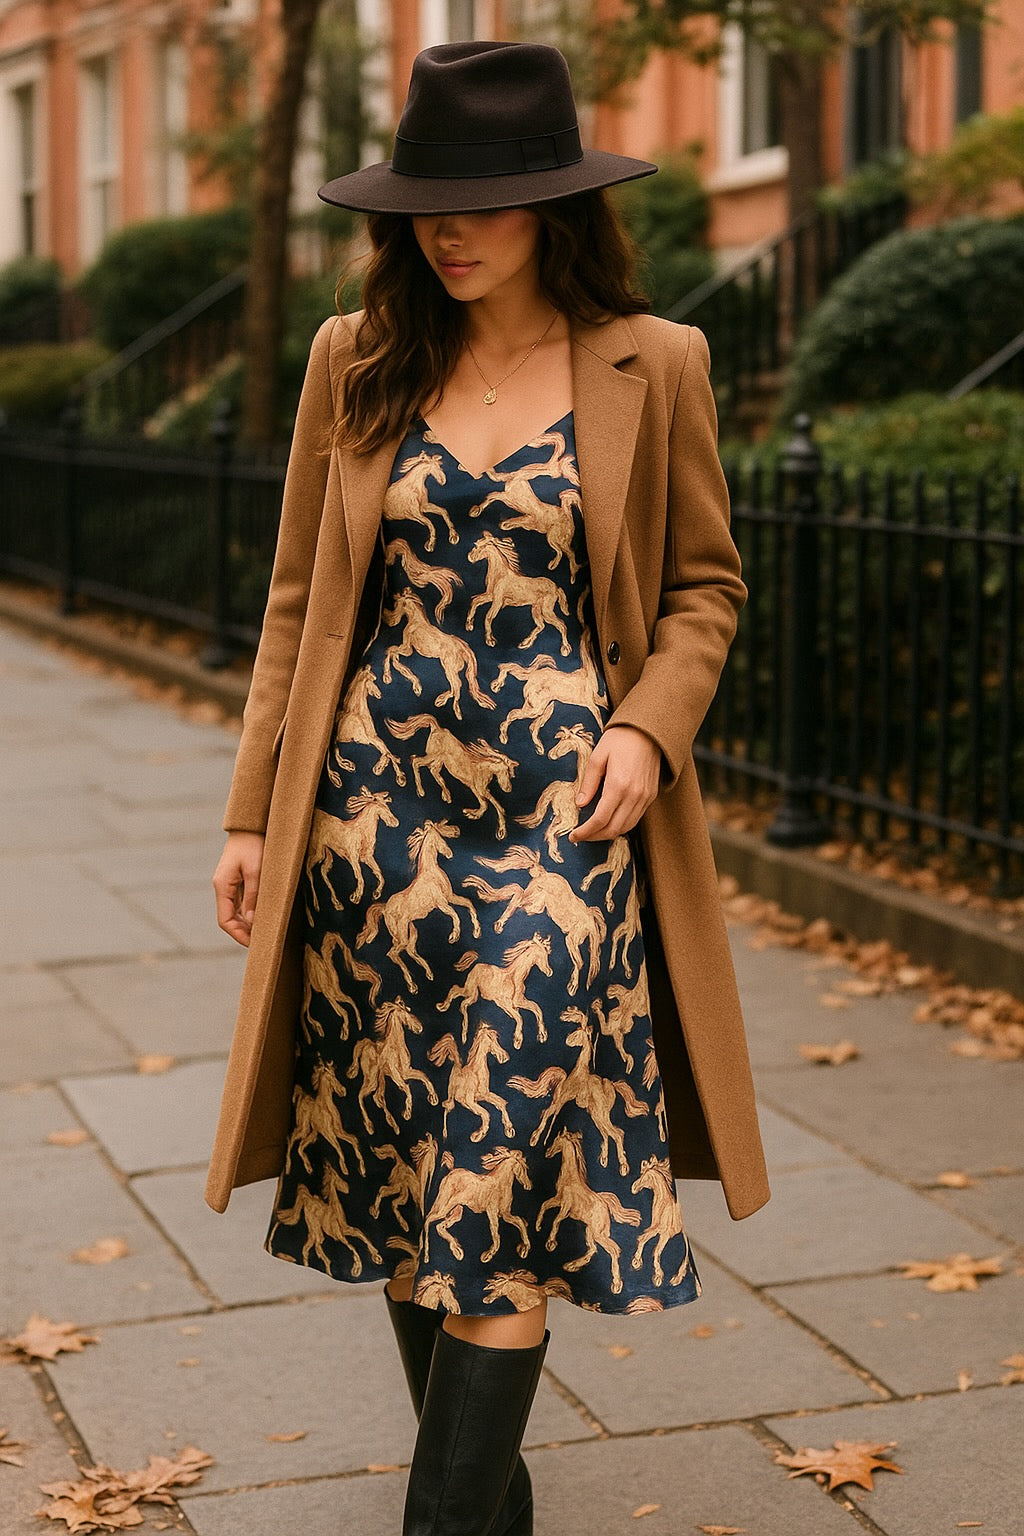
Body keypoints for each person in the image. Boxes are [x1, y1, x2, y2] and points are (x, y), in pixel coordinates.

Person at [207, 38, 769, 1536]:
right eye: (424, 207)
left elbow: (705, 589)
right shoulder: (357, 356)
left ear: (556, 208)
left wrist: (648, 726)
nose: (448, 232)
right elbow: (290, 607)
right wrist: (253, 813)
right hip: (373, 832)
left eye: (486, 204)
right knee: (414, 1180)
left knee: (501, 1186)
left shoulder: (659, 361)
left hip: (563, 828)